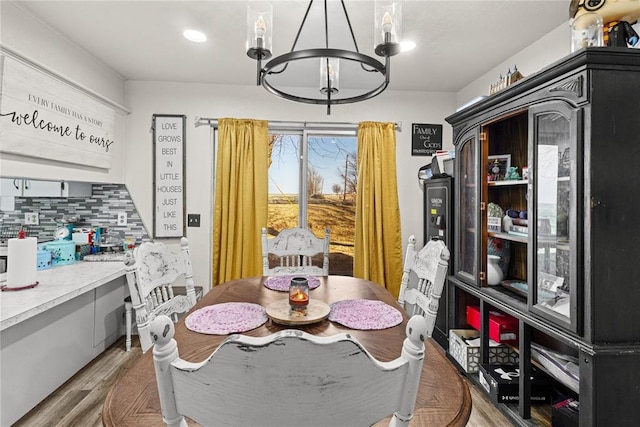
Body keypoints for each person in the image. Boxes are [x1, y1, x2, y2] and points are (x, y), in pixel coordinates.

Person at [570, 0, 640, 47]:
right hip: (605, 48)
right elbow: (589, 39)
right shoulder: (599, 30)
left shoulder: (621, 25)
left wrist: (632, 37)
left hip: (619, 46)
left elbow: (628, 30)